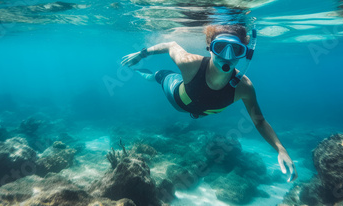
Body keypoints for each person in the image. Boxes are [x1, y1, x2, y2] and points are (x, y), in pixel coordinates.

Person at [121, 24, 298, 182]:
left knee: (163, 75)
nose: (227, 56)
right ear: (210, 48)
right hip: (176, 95)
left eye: (236, 50)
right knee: (160, 76)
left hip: (198, 108)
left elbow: (259, 120)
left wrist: (280, 149)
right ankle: (146, 74)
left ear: (244, 53)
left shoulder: (244, 87)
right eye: (220, 47)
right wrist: (142, 53)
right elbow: (170, 45)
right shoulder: (190, 64)